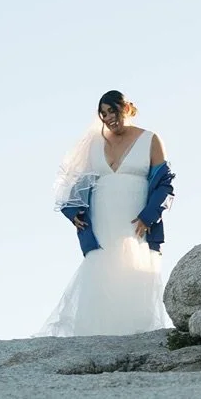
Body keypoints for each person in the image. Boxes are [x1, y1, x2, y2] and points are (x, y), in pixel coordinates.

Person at [37, 91, 175, 336]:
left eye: (113, 110)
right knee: (100, 266)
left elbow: (164, 183)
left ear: (127, 108)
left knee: (134, 267)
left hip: (136, 218)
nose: (109, 117)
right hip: (102, 217)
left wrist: (149, 215)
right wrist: (73, 212)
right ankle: (93, 334)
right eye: (103, 114)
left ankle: (135, 334)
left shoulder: (150, 139)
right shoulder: (94, 144)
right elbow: (78, 182)